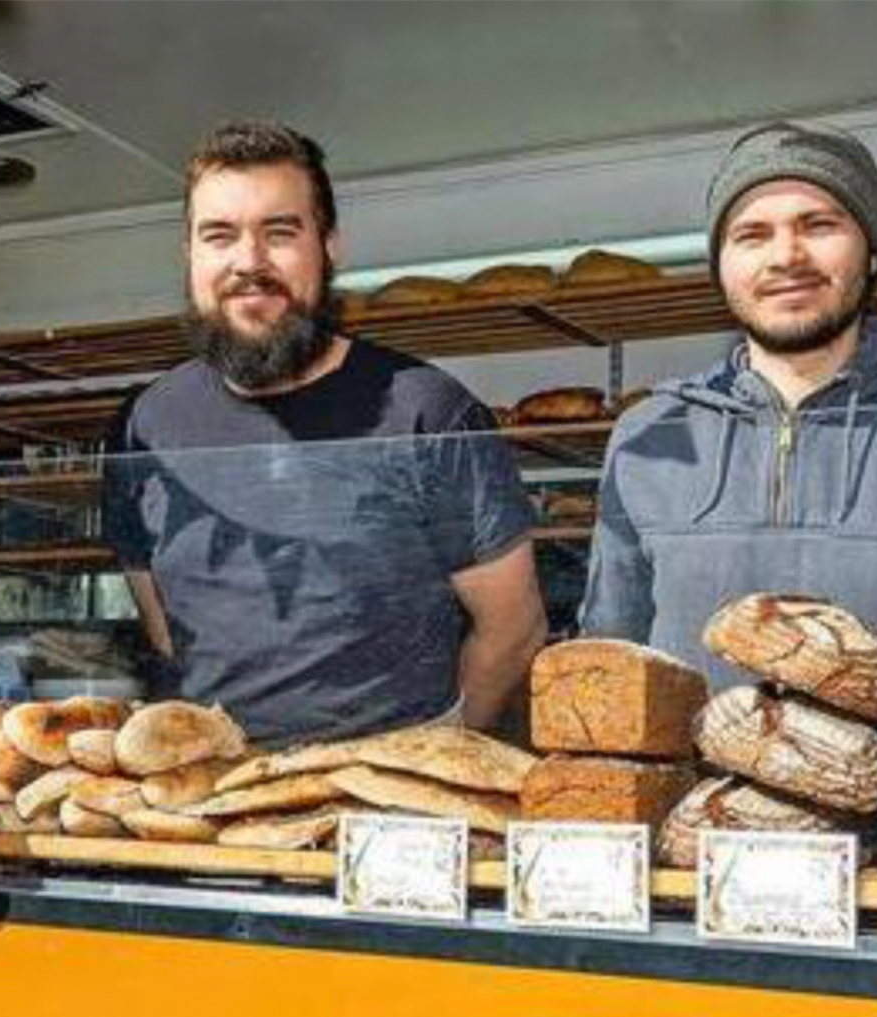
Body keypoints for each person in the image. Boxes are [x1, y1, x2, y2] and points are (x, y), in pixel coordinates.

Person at [102, 121, 546, 744]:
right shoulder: (147, 422)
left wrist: (425, 765)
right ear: (191, 253)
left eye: (279, 232)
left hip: (380, 807)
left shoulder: (426, 411)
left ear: (329, 245)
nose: (248, 262)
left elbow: (513, 629)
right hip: (212, 795)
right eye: (219, 235)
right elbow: (164, 625)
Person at [581, 121, 877, 684]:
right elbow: (606, 657)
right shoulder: (652, 434)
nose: (785, 256)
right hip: (693, 775)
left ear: (872, 253)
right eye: (751, 234)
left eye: (818, 225)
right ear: (720, 266)